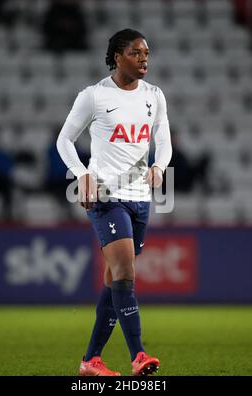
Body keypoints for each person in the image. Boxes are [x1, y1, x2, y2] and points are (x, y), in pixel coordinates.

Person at [57, 29, 172, 376]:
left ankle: (91, 361)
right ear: (118, 56)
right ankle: (138, 355)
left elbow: (163, 140)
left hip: (141, 199)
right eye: (136, 53)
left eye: (147, 53)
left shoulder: (155, 96)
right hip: (106, 197)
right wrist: (82, 174)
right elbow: (64, 140)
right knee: (125, 271)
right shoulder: (94, 96)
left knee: (113, 279)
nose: (144, 59)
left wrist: (158, 166)